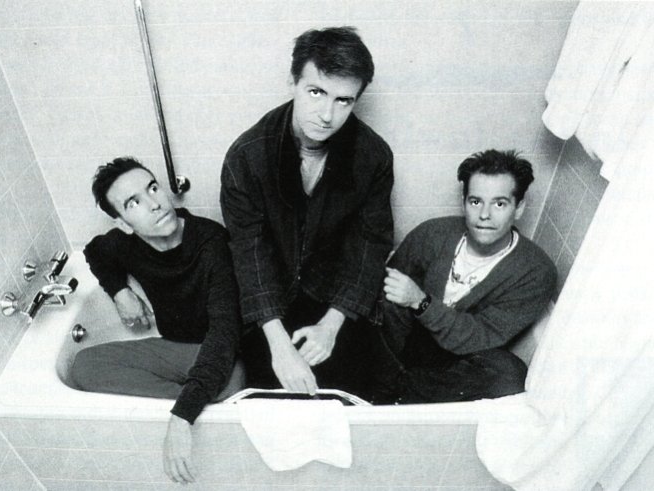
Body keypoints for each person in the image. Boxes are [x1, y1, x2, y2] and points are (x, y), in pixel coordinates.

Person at [220, 26, 394, 398]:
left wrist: (332, 325)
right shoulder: (247, 156)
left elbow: (370, 245)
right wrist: (279, 346)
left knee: (350, 398)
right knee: (271, 399)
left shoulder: (373, 156)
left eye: (343, 100)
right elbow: (249, 253)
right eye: (316, 92)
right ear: (293, 82)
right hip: (271, 302)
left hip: (335, 299)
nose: (327, 115)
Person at [71, 157, 244, 485]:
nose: (154, 204)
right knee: (83, 366)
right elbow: (95, 252)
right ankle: (196, 397)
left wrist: (181, 417)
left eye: (152, 188)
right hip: (175, 348)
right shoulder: (126, 242)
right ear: (123, 223)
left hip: (221, 353)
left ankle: (193, 400)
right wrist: (120, 292)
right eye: (133, 202)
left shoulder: (211, 242)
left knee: (232, 385)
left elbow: (225, 331)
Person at [372, 149, 557, 404]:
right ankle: (381, 386)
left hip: (457, 360)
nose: (484, 215)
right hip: (406, 343)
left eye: (499, 204)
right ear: (464, 202)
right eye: (476, 202)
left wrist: (421, 302)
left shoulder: (535, 272)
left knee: (509, 374)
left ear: (519, 208)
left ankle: (395, 395)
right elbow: (383, 297)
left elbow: (478, 336)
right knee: (382, 299)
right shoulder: (432, 234)